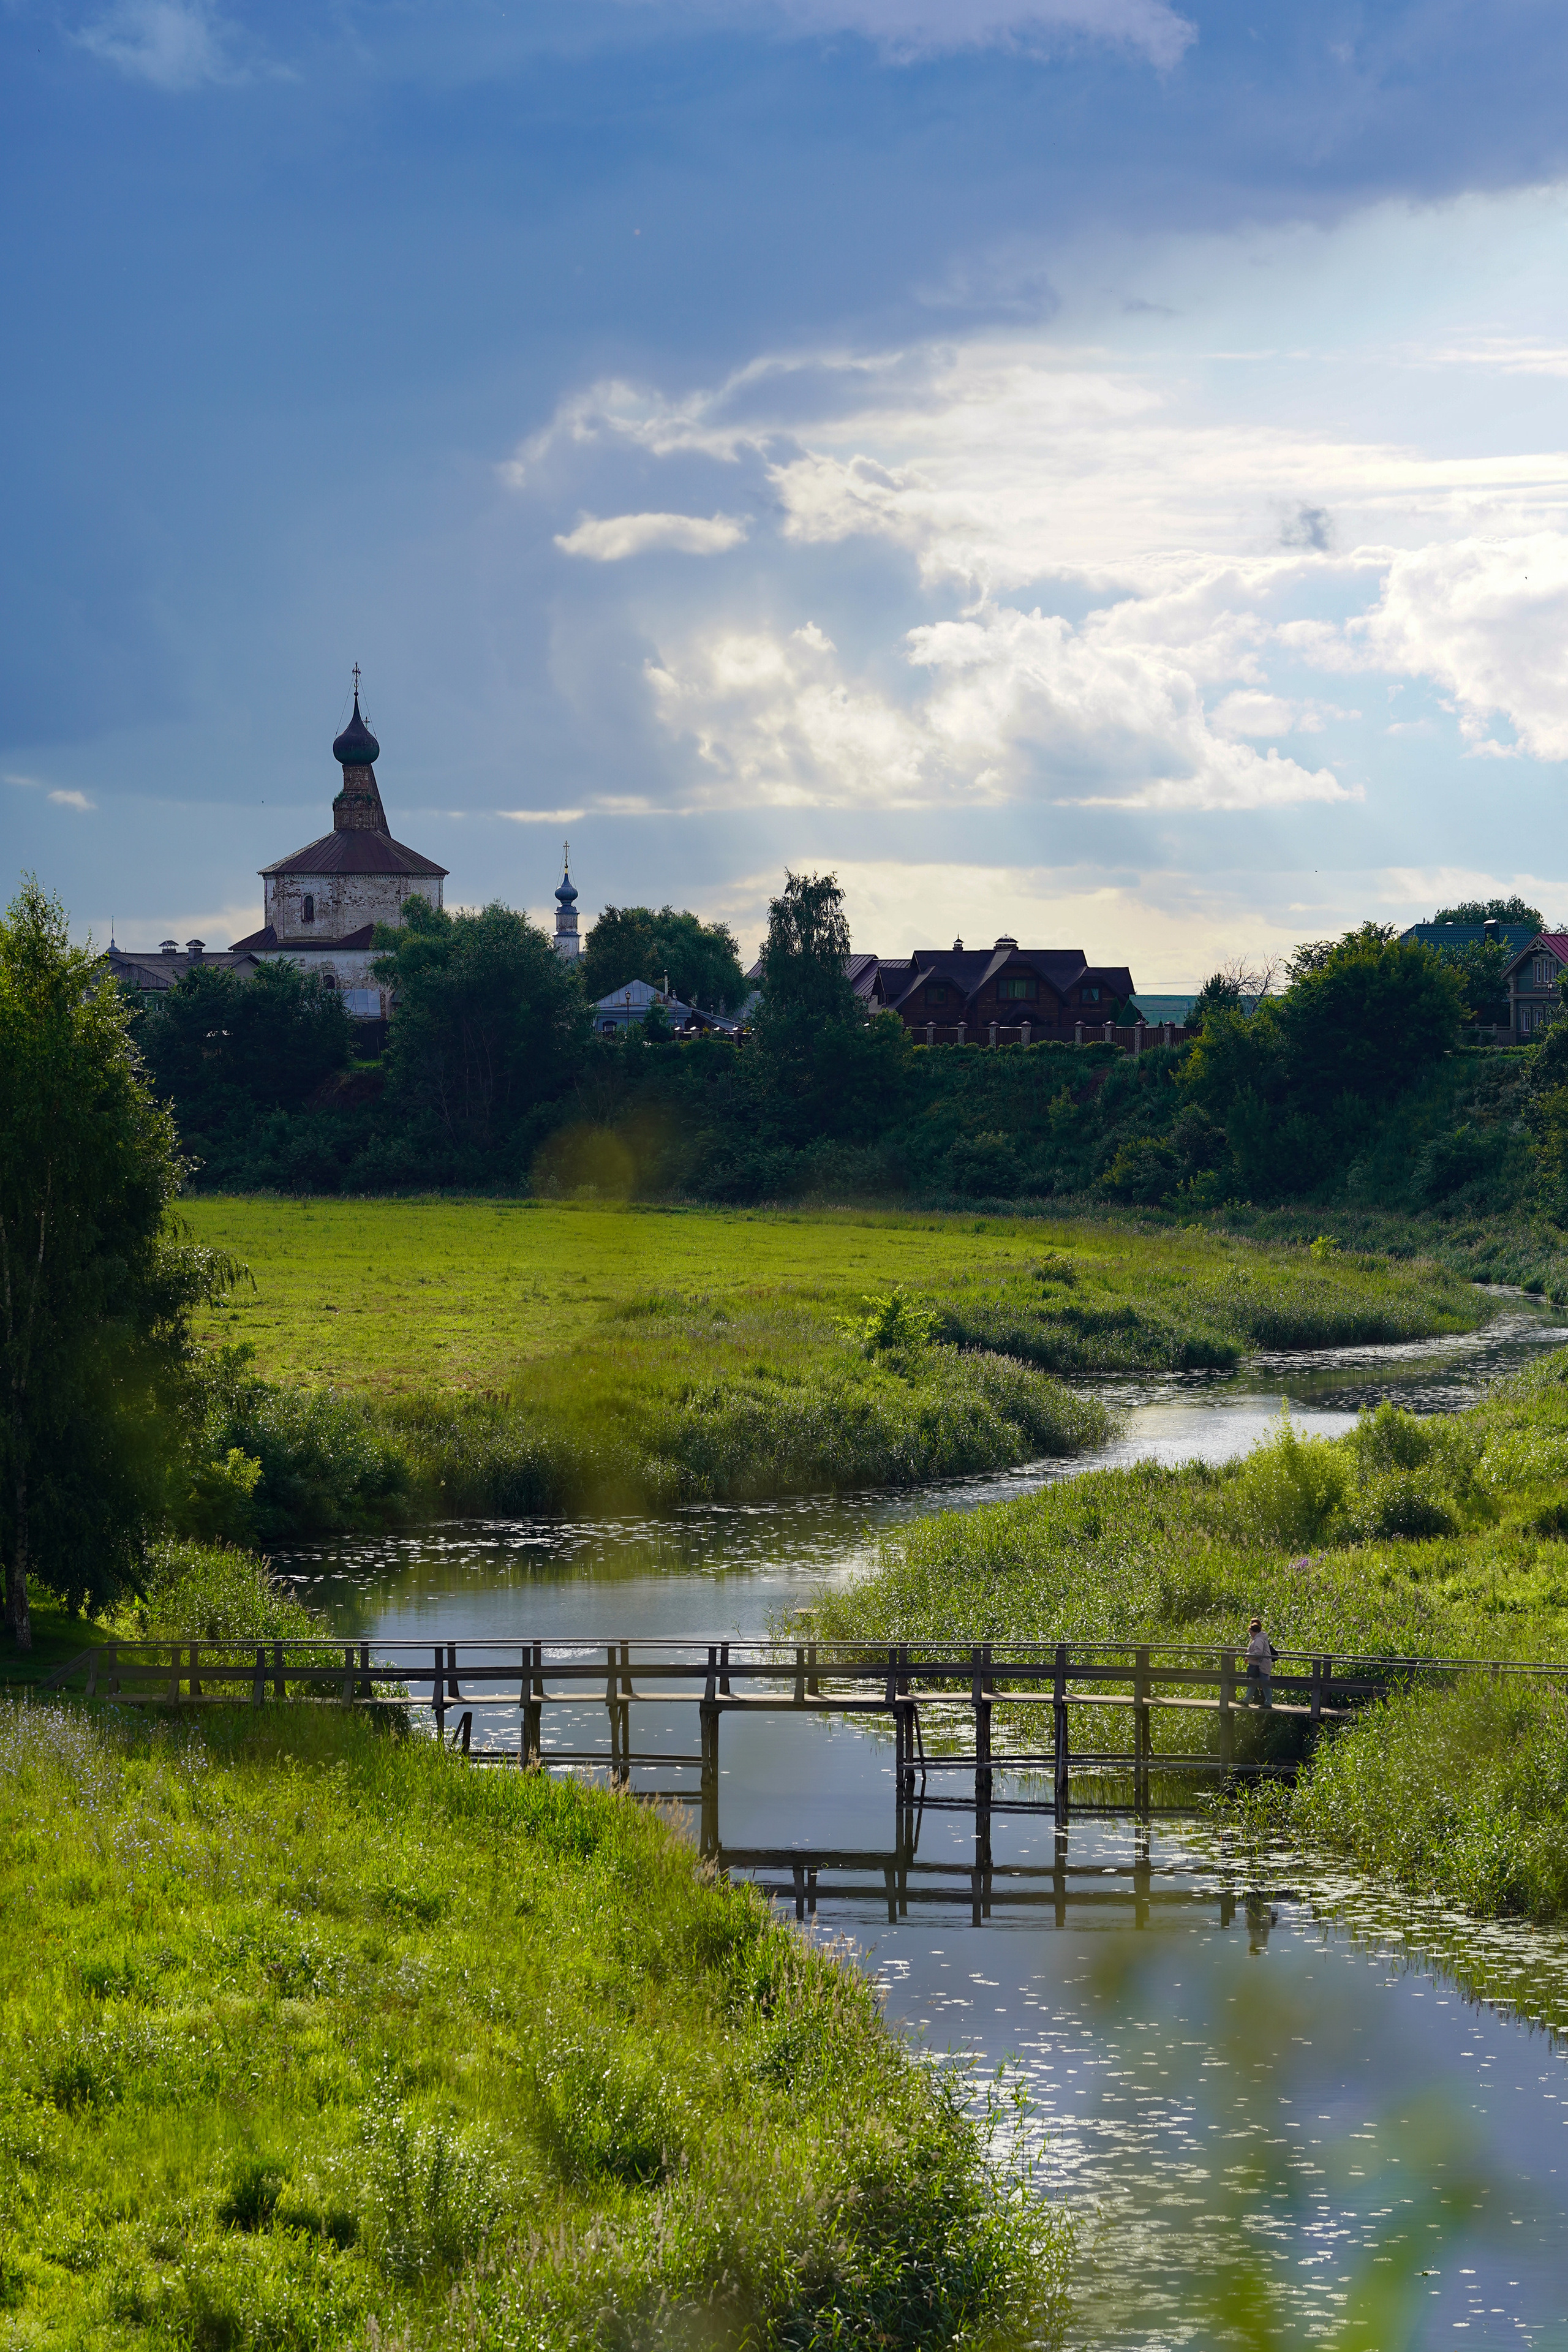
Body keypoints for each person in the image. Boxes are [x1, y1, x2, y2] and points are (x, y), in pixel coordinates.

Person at [1245, 1616, 1275, 1708]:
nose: (1250, 1635)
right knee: (1253, 1682)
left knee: (1265, 1684)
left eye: (1251, 1633)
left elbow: (1258, 1653)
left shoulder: (1258, 1640)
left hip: (1261, 1665)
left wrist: (1248, 1655)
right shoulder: (1259, 1638)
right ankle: (1246, 1700)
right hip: (1260, 1665)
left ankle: (1268, 1703)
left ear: (1255, 1632)